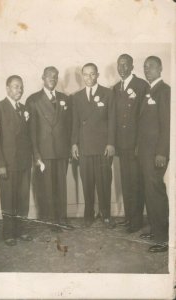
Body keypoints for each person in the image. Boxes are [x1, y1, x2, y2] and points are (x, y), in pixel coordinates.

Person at [26, 66, 72, 232]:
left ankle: (62, 219)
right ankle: (52, 220)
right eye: (49, 76)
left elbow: (68, 126)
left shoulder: (64, 98)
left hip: (61, 150)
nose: (52, 78)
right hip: (44, 152)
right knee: (47, 187)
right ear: (42, 77)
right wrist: (36, 154)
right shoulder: (33, 100)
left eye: (55, 76)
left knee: (61, 186)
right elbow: (31, 131)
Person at [72, 63, 116, 228]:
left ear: (97, 75)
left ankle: (106, 214)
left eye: (92, 74)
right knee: (87, 182)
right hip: (84, 146)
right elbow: (75, 122)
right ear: (82, 76)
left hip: (103, 147)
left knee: (104, 181)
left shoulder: (108, 93)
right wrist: (74, 144)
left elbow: (113, 120)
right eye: (86, 74)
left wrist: (111, 143)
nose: (89, 78)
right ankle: (88, 214)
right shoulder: (77, 97)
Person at [112, 54, 148, 233]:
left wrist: (139, 144)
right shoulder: (115, 88)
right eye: (120, 65)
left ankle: (136, 221)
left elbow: (145, 117)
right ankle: (129, 217)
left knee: (135, 182)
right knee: (126, 181)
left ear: (132, 66)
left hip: (135, 144)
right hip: (122, 144)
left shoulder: (142, 86)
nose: (122, 68)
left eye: (126, 65)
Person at [138, 56, 170, 253]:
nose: (147, 70)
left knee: (155, 192)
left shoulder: (164, 91)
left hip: (156, 154)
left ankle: (163, 238)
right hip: (145, 153)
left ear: (161, 68)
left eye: (151, 66)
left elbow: (167, 125)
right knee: (150, 192)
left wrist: (161, 153)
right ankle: (156, 229)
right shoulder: (148, 90)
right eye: (145, 67)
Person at [0, 75, 32, 246]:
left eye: (21, 87)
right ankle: (9, 233)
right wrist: (1, 164)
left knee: (23, 199)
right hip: (8, 165)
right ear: (7, 88)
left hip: (24, 163)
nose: (19, 90)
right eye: (15, 86)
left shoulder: (24, 108)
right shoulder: (0, 108)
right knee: (9, 200)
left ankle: (22, 230)